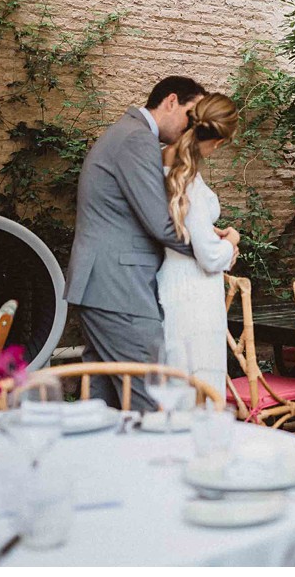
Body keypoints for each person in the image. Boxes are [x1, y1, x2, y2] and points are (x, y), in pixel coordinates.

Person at [65, 76, 226, 410]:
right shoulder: (136, 139)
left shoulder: (127, 135)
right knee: (153, 402)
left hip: (103, 285)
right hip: (120, 288)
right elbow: (160, 224)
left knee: (103, 406)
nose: (192, 127)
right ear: (170, 101)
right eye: (190, 115)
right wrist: (213, 246)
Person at [157, 93, 241, 397]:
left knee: (177, 380)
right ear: (219, 141)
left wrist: (205, 229)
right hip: (195, 293)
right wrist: (231, 241)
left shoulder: (163, 159)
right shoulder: (188, 179)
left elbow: (186, 228)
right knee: (200, 386)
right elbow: (207, 256)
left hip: (169, 282)